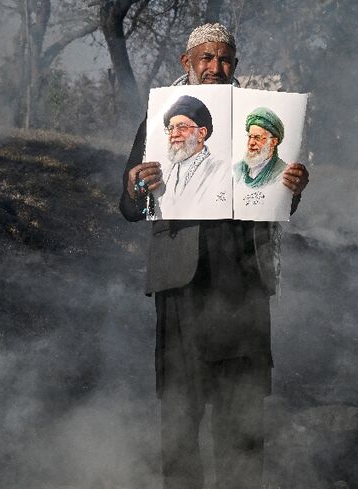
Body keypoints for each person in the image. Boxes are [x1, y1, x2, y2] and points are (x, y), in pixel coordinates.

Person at [118, 23, 309, 489]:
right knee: (180, 415)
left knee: (242, 419)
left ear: (235, 66)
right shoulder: (159, 119)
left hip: (244, 286)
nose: (215, 67)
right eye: (206, 58)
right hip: (182, 289)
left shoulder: (259, 122)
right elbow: (128, 206)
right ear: (187, 64)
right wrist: (134, 184)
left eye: (224, 59)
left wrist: (293, 187)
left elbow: (276, 202)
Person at [159, 95, 229, 215]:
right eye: (170, 128)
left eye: (182, 127)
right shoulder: (164, 173)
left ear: (201, 133)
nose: (174, 134)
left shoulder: (222, 170)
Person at [235, 107, 288, 189]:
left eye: (257, 137)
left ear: (273, 142)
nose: (251, 143)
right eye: (250, 136)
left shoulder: (283, 174)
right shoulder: (237, 170)